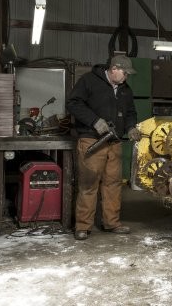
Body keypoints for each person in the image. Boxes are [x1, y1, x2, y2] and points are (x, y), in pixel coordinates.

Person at [66, 54, 141, 240]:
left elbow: (131, 111)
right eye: (125, 73)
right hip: (92, 141)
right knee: (89, 184)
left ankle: (112, 223)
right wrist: (94, 121)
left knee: (113, 184)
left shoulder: (125, 90)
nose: (126, 77)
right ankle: (83, 226)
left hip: (114, 142)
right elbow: (73, 103)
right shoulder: (89, 81)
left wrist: (131, 127)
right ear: (114, 69)